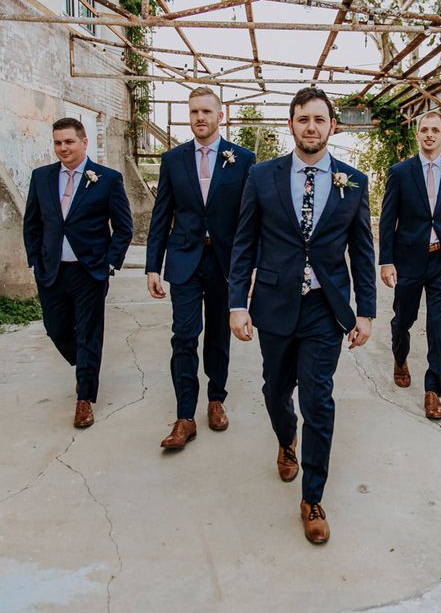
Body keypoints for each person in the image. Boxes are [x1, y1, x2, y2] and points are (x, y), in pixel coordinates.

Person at [229, 87, 376, 545]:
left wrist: (365, 313)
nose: (311, 127)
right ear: (290, 125)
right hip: (273, 303)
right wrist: (237, 303)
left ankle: (313, 496)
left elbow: (363, 253)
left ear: (332, 126)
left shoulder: (353, 181)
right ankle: (285, 437)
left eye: (319, 119)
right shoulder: (262, 176)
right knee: (276, 390)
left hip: (324, 308)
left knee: (318, 398)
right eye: (302, 119)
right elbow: (244, 242)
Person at [145, 87, 254, 449]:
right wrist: (152, 266)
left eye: (206, 111)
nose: (200, 118)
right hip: (185, 260)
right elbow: (161, 215)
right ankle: (184, 416)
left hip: (226, 263)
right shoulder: (173, 159)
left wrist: (250, 266)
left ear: (220, 116)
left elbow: (250, 219)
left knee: (219, 337)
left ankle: (216, 399)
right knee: (184, 336)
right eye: (194, 112)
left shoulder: (243, 158)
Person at [23, 117, 133, 428]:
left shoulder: (108, 179)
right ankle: (84, 365)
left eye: (69, 142)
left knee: (88, 334)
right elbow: (32, 223)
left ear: (84, 143)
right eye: (58, 142)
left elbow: (123, 228)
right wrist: (35, 259)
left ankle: (85, 397)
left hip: (90, 272)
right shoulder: (41, 177)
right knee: (56, 329)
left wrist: (110, 262)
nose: (63, 148)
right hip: (52, 271)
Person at [378, 111, 441, 420]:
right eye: (424, 130)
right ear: (417, 135)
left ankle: (433, 390)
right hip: (408, 259)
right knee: (404, 318)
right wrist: (386, 260)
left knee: (437, 324)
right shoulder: (401, 172)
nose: (429, 134)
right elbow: (388, 219)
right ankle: (400, 357)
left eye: (435, 130)